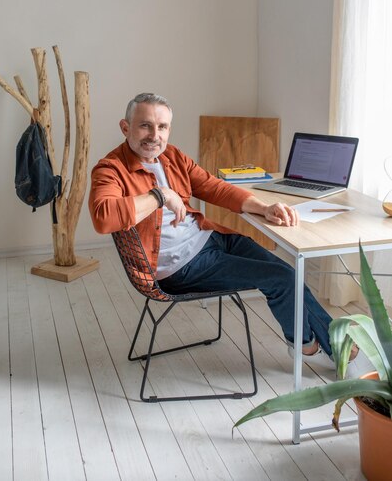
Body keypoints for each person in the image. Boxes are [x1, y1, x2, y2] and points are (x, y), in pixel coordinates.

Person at [89, 92, 337, 360]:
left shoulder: (171, 156)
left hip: (212, 238)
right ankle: (309, 344)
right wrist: (161, 195)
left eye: (162, 127)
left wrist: (264, 208)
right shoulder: (110, 169)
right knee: (283, 279)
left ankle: (337, 344)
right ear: (125, 127)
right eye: (145, 125)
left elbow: (212, 187)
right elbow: (103, 217)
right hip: (182, 266)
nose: (154, 135)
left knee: (287, 271)